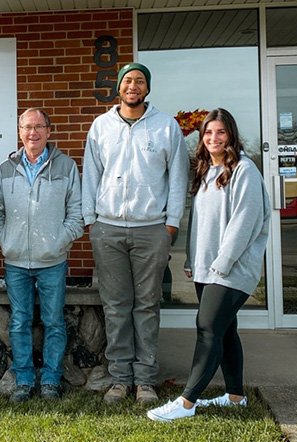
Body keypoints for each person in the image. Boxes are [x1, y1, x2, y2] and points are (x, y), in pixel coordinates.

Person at [147, 108, 270, 422]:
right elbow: (199, 223)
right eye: (208, 133)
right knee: (226, 331)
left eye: (220, 132)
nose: (214, 138)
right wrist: (192, 259)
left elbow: (244, 223)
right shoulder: (205, 172)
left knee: (207, 329)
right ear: (201, 138)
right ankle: (235, 397)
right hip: (208, 268)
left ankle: (187, 403)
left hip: (230, 270)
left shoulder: (244, 170)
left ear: (231, 135)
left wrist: (223, 263)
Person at [82, 62, 189, 404]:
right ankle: (119, 378)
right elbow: (90, 175)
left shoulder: (166, 126)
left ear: (147, 88)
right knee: (115, 306)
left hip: (151, 229)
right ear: (119, 87)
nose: (133, 86)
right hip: (108, 228)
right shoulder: (101, 126)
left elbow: (178, 178)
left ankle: (144, 380)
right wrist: (90, 220)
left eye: (140, 81)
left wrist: (171, 223)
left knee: (147, 305)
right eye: (128, 81)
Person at [0, 108, 84, 403]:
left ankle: (51, 381)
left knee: (54, 321)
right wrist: (6, 241)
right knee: (19, 321)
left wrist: (59, 242)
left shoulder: (66, 166)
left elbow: (77, 214)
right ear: (20, 132)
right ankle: (24, 379)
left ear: (49, 131)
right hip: (15, 261)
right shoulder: (6, 168)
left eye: (39, 127)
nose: (33, 133)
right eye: (27, 127)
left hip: (52, 261)